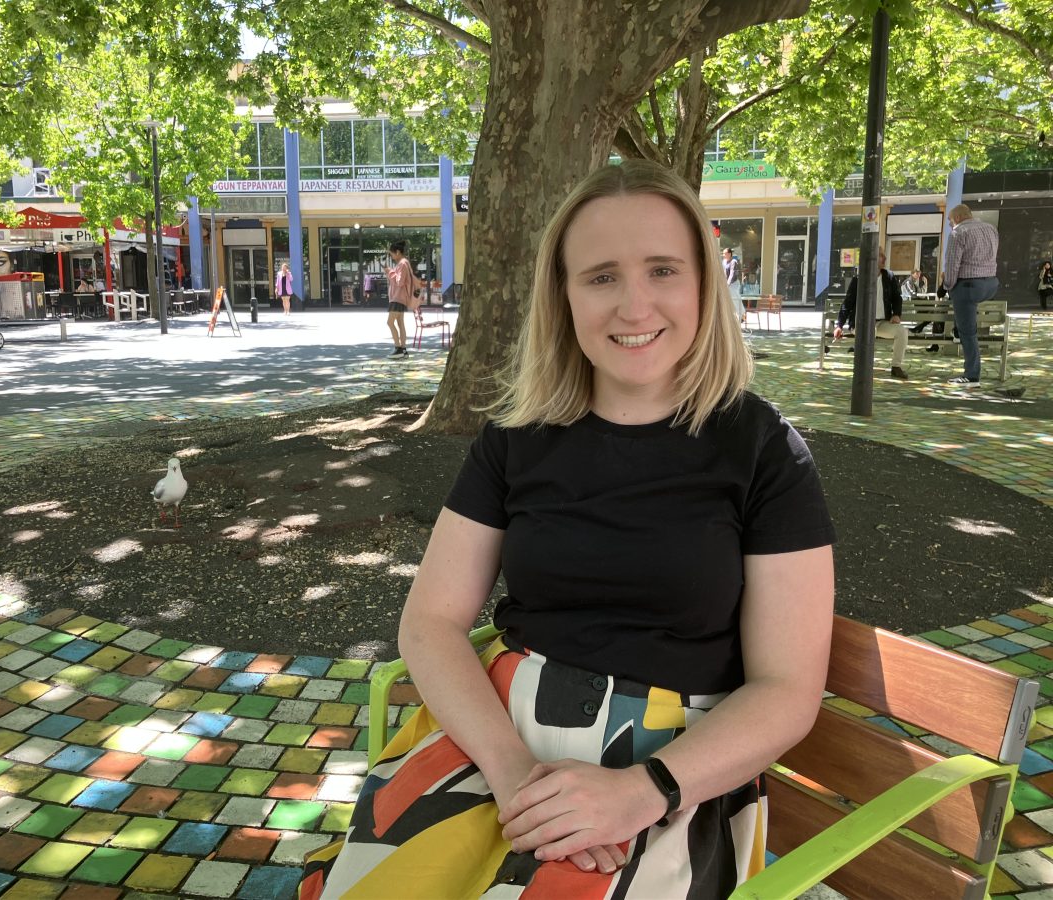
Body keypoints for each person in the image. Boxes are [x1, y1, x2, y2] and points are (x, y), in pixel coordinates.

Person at [300, 160, 836, 899]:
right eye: (601, 277)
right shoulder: (516, 439)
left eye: (662, 270)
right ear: (564, 295)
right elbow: (429, 623)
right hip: (497, 745)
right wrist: (515, 773)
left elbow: (787, 688)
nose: (634, 304)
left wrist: (641, 791)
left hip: (673, 774)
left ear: (705, 286)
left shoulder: (763, 451)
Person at [940, 204, 998, 387]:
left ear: (957, 218)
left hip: (969, 286)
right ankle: (957, 329)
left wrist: (945, 286)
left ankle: (972, 376)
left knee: (968, 332)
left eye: (950, 221)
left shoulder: (958, 233)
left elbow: (952, 265)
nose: (950, 225)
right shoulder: (991, 229)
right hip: (990, 284)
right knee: (962, 306)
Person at [834, 250, 909, 380]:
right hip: (860, 322)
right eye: (880, 256)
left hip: (881, 322)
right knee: (870, 330)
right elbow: (848, 302)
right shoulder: (859, 278)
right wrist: (839, 325)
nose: (884, 259)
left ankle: (896, 367)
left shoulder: (889, 277)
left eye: (883, 257)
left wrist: (896, 314)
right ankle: (865, 367)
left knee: (902, 331)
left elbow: (897, 298)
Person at [386, 240, 418, 357]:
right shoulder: (404, 263)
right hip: (400, 298)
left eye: (392, 254)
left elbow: (399, 282)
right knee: (400, 323)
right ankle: (403, 350)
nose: (392, 256)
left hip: (397, 298)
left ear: (398, 252)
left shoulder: (402, 264)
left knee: (390, 323)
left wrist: (390, 272)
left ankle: (398, 348)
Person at [722, 247, 743, 322]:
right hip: (727, 284)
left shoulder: (733, 261)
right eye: (723, 253)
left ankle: (740, 316)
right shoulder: (724, 261)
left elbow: (732, 274)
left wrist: (728, 284)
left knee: (735, 300)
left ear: (729, 254)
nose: (723, 255)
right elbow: (723, 272)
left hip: (734, 284)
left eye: (725, 253)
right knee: (732, 300)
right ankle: (741, 314)